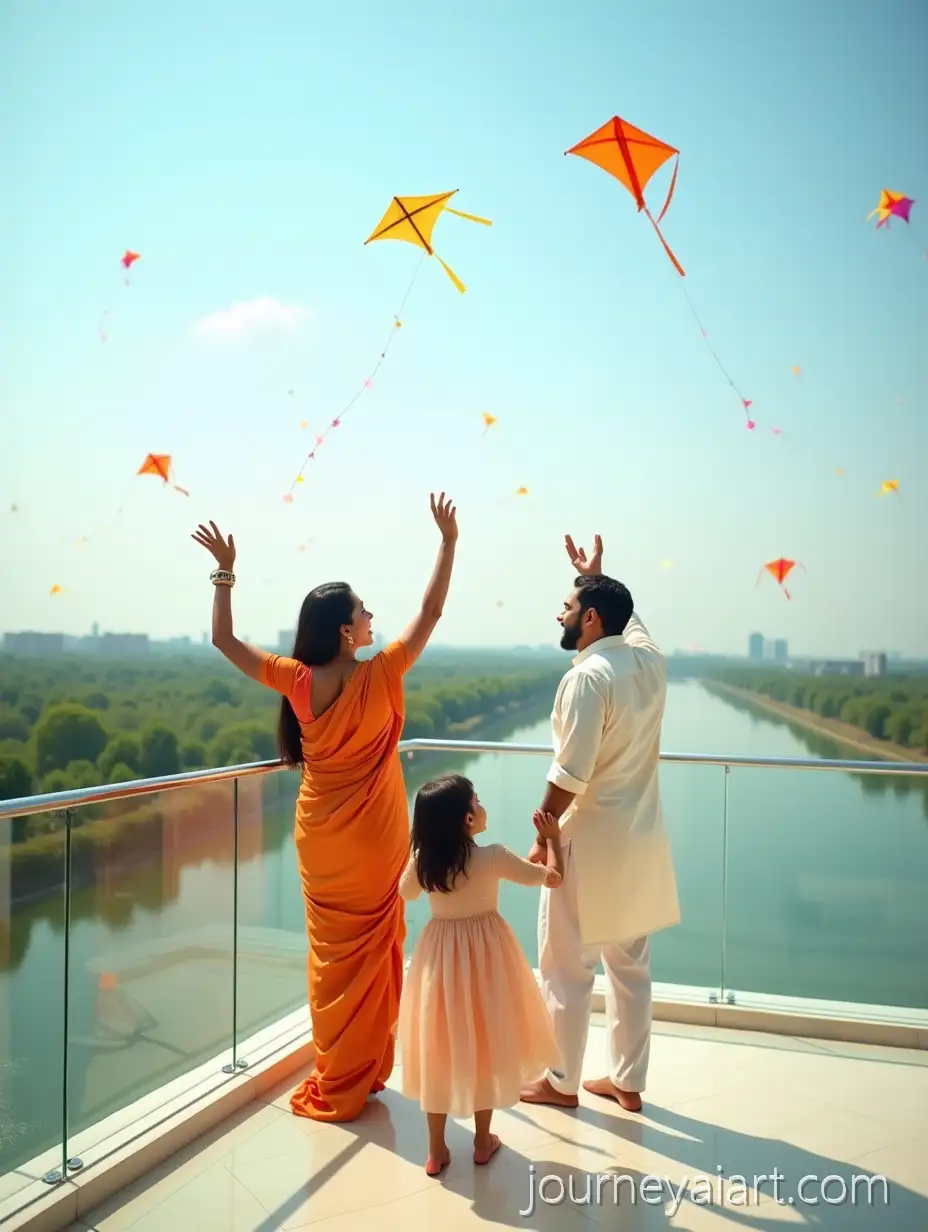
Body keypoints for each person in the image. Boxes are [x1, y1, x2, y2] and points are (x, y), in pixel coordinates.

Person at [190, 492, 458, 1122]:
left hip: (322, 841)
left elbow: (223, 639)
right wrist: (448, 543)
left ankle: (339, 1070)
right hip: (376, 841)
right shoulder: (384, 671)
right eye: (364, 612)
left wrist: (225, 573)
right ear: (345, 630)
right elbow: (432, 610)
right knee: (374, 953)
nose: (372, 618)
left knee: (334, 959)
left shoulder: (299, 680)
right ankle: (361, 1072)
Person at [521, 534, 680, 1113]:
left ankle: (561, 1083)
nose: (560, 614)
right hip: (639, 839)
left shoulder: (587, 678)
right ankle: (628, 1083)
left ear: (590, 619)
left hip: (586, 843)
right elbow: (630, 621)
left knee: (566, 967)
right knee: (630, 966)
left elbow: (571, 773)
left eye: (568, 606)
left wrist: (542, 836)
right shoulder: (650, 663)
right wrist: (597, 576)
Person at [398, 774, 564, 1176]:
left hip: (440, 960)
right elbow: (550, 879)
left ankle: (436, 1150)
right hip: (488, 958)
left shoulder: (425, 862)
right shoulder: (492, 857)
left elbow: (405, 892)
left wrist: (420, 852)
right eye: (477, 800)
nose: (483, 805)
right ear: (468, 819)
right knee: (485, 1044)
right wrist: (553, 840)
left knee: (439, 1047)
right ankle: (482, 1141)